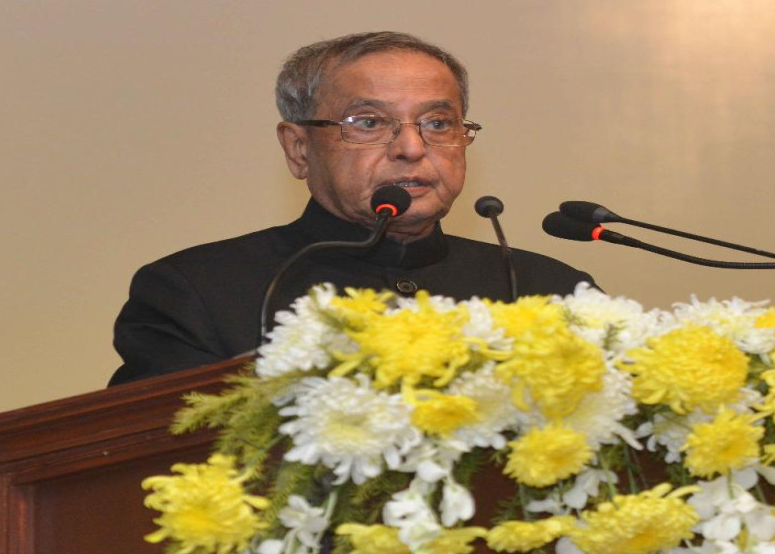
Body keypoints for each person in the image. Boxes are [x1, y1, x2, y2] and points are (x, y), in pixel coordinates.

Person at [109, 31, 594, 385]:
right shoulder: (196, 292)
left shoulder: (550, 290)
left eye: (437, 123)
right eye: (368, 122)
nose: (411, 147)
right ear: (299, 148)